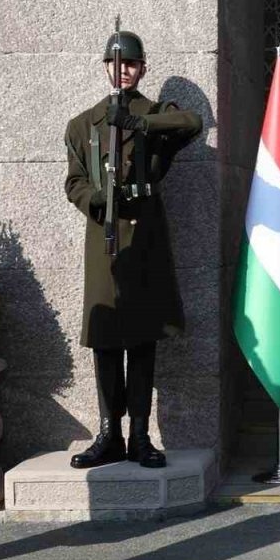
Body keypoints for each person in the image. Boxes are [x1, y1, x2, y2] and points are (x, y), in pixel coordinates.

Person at [64, 29, 202, 470]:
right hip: (104, 240)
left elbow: (192, 124)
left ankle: (141, 435)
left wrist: (139, 124)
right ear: (105, 67)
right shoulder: (83, 123)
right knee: (105, 342)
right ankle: (110, 434)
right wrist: (98, 198)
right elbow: (74, 182)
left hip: (145, 240)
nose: (123, 71)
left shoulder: (157, 114)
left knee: (143, 340)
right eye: (116, 63)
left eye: (131, 64)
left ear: (142, 69)